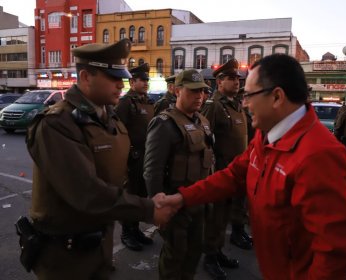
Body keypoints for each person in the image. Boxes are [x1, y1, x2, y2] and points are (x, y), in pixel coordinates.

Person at [161, 54, 346, 280]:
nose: (244, 103)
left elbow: (335, 251)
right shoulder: (268, 135)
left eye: (249, 95)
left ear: (276, 97)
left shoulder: (320, 155)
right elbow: (234, 174)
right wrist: (182, 198)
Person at [24, 39, 174, 279]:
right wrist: (148, 209)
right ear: (85, 77)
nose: (121, 84)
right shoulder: (57, 124)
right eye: (113, 77)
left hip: (99, 245)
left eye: (122, 77)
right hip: (66, 259)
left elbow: (117, 174)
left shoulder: (109, 118)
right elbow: (85, 191)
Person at [143, 69, 213, 280]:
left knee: (194, 253)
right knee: (175, 256)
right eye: (193, 91)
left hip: (199, 202)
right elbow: (152, 170)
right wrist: (158, 205)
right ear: (177, 91)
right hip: (175, 206)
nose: (199, 96)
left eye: (202, 91)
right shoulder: (165, 123)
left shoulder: (203, 121)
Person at [200, 59, 251, 280]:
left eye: (238, 78)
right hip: (221, 171)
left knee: (228, 214)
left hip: (236, 172)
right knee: (216, 217)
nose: (237, 82)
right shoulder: (214, 106)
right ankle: (210, 258)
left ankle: (218, 251)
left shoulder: (236, 104)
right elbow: (203, 136)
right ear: (219, 82)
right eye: (231, 78)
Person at [115, 62, 155, 251]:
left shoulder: (147, 101)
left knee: (140, 195)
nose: (146, 83)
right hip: (132, 157)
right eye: (142, 80)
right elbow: (118, 131)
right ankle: (126, 232)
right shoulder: (126, 103)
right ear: (132, 82)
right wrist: (126, 155)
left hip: (147, 157)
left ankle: (135, 229)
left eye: (147, 80)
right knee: (129, 196)